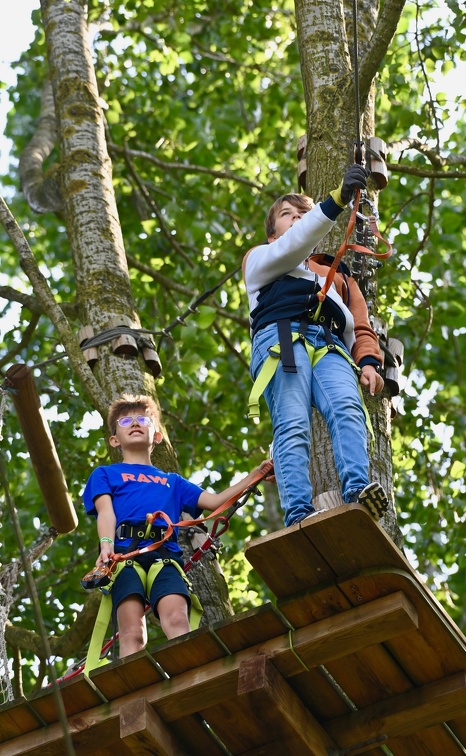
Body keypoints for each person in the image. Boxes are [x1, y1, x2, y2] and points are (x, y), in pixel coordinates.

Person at [243, 165, 389, 528]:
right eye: (287, 215)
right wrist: (337, 200)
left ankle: (358, 491)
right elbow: (294, 245)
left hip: (328, 344)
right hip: (282, 341)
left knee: (347, 408)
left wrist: (369, 361)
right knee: (292, 425)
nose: (296, 220)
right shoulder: (261, 259)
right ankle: (298, 513)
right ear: (273, 231)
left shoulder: (335, 273)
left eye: (303, 214)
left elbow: (359, 323)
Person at [83, 393, 270, 658]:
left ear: (157, 436)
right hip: (123, 557)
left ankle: (190, 677)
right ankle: (135, 690)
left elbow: (215, 501)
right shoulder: (104, 474)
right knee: (132, 633)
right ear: (115, 439)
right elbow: (105, 513)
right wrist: (106, 547)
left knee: (177, 622)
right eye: (125, 421)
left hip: (165, 558)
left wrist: (255, 475)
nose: (135, 423)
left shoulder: (173, 481)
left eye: (142, 419)